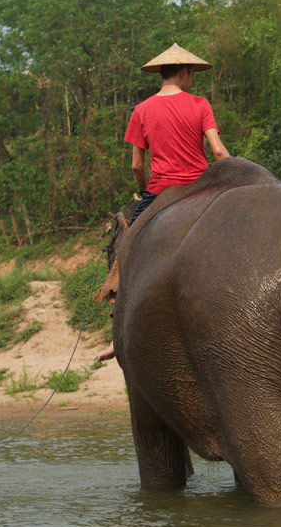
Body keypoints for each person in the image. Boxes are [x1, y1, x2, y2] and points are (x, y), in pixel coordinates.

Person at [98, 43, 230, 361]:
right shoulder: (200, 104)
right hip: (202, 189)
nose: (192, 80)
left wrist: (145, 192)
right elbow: (219, 152)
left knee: (126, 249)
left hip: (160, 193)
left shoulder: (142, 110)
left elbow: (136, 166)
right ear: (184, 72)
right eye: (192, 75)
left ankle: (118, 333)